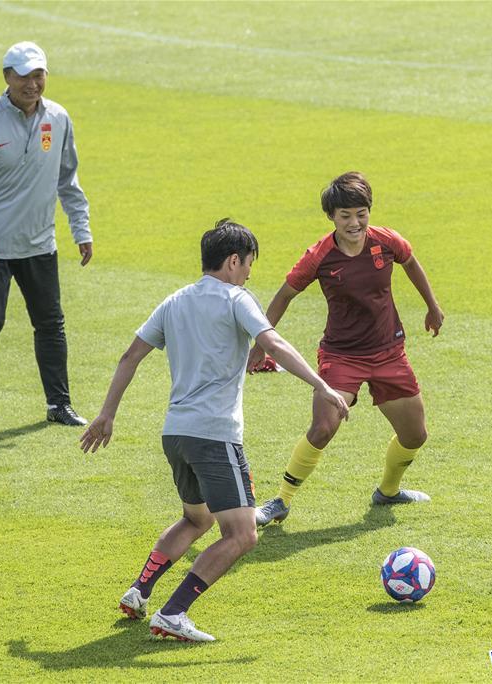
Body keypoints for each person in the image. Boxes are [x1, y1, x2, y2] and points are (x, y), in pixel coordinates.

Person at [80, 220, 348, 642]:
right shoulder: (236, 298)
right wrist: (322, 385)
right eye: (247, 266)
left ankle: (139, 591)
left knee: (196, 518)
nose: (248, 275)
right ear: (233, 260)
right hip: (214, 435)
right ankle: (173, 613)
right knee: (243, 534)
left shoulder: (174, 301)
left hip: (176, 434)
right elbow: (273, 343)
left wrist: (106, 414)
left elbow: (130, 356)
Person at [249, 171, 444, 526]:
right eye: (345, 216)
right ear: (332, 217)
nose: (355, 222)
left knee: (415, 435)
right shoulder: (319, 257)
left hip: (389, 352)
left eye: (361, 213)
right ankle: (281, 500)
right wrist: (261, 343)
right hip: (342, 356)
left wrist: (432, 306)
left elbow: (411, 263)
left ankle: (387, 492)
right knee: (324, 426)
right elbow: (284, 295)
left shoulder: (387, 241)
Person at [0, 41, 92, 436]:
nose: (33, 83)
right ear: (7, 77)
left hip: (40, 244)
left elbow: (68, 179)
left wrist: (81, 229)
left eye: (39, 75)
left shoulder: (58, 118)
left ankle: (59, 404)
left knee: (50, 323)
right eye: (25, 76)